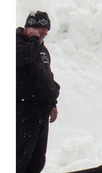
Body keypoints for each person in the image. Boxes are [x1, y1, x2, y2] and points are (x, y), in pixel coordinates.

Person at [14, 11, 60, 173]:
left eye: (47, 29)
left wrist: (52, 102)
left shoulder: (41, 49)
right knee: (19, 158)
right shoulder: (17, 42)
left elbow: (47, 76)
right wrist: (33, 41)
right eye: (42, 29)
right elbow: (20, 59)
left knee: (37, 159)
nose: (45, 33)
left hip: (41, 111)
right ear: (31, 27)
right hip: (23, 110)